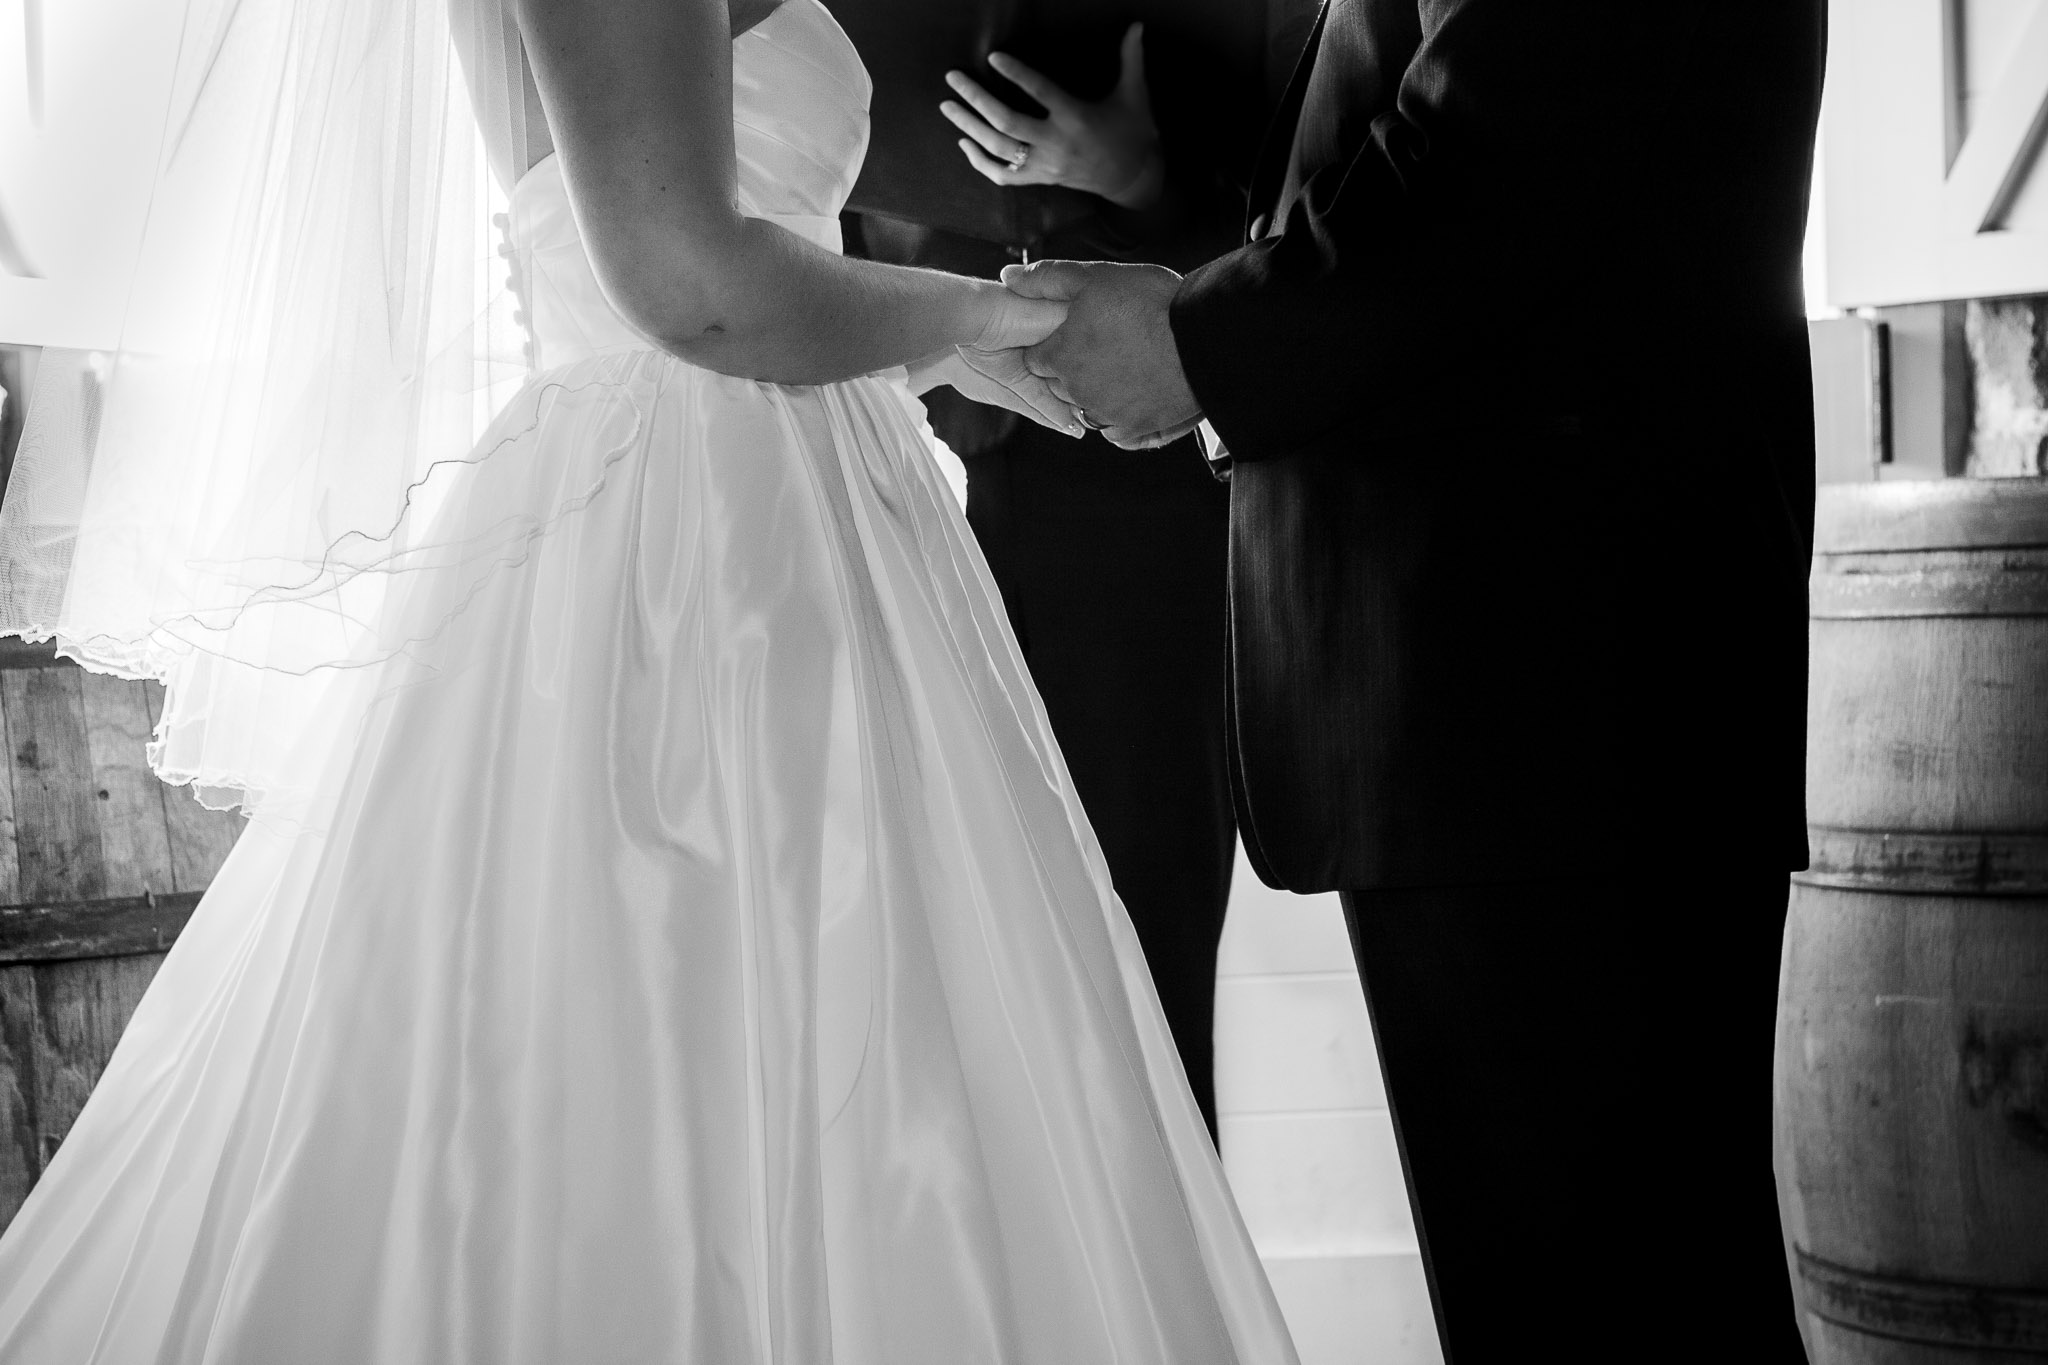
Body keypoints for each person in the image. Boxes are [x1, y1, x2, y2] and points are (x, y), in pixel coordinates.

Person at [0, 0, 1297, 1360]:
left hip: (784, 490)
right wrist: (998, 303)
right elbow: (690, 284)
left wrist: (951, 342)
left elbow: (731, 257)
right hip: (692, 541)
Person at [1008, 0, 1827, 1360]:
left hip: (1553, 681)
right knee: (1588, 1289)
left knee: (1613, 1292)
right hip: (1520, 685)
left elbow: (1502, 148)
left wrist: (1201, 345)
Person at [832, 1, 1264, 1137]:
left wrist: (1133, 174)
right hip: (870, 452)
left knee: (1133, 943)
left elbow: (1314, 211)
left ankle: (1156, 1297)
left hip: (1126, 476)